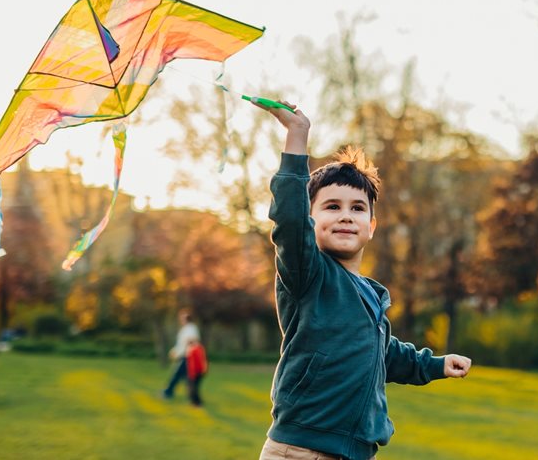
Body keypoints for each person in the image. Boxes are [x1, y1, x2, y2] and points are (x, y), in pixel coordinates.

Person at [255, 99, 472, 460]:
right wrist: (297, 136)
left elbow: (384, 354)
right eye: (331, 206)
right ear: (310, 220)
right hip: (300, 450)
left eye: (357, 208)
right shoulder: (309, 274)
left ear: (371, 227)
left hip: (356, 453)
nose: (345, 216)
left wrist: (435, 364)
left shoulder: (370, 295)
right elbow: (290, 221)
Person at [163, 309, 200, 400]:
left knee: (178, 375)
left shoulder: (191, 328)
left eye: (182, 318)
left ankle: (168, 392)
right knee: (184, 377)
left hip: (188, 356)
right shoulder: (185, 329)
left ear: (187, 318)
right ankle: (192, 396)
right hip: (183, 355)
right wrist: (175, 351)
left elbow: (192, 341)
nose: (181, 320)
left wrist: (184, 350)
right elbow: (181, 343)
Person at [186, 338, 208, 407]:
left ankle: (196, 403)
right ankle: (198, 401)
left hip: (195, 372)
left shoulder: (192, 350)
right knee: (196, 387)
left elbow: (191, 364)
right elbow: (203, 360)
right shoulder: (200, 348)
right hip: (201, 371)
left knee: (192, 388)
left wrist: (192, 374)